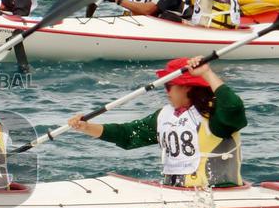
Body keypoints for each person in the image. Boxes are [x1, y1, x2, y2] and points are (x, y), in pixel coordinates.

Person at [67, 57, 246, 188]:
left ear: (187, 87)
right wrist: (86, 127)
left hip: (219, 194)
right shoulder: (165, 116)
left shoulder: (216, 115)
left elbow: (234, 106)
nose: (166, 92)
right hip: (175, 192)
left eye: (169, 86)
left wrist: (207, 73)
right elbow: (128, 135)